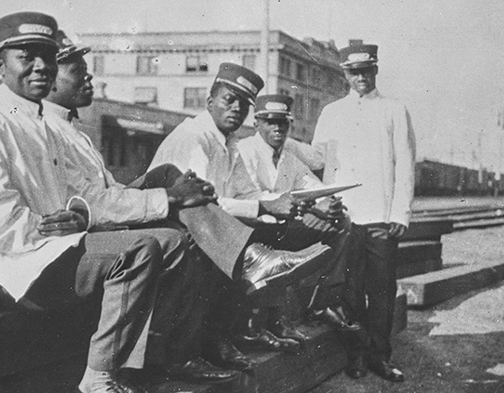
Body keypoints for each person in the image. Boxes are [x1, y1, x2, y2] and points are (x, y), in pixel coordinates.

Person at [0, 14, 316, 393]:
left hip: (47, 255)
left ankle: (154, 360)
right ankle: (100, 376)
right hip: (7, 273)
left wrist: (78, 216)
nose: (41, 66)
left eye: (47, 56)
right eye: (27, 56)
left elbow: (86, 198)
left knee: (168, 240)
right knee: (141, 247)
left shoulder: (43, 126)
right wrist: (56, 225)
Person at [148, 64, 334, 366]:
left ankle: (237, 330)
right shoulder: (194, 136)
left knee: (274, 234)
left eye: (244, 104)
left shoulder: (229, 143)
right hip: (172, 222)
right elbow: (203, 203)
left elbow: (247, 195)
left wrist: (283, 204)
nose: (236, 108)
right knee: (238, 248)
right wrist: (266, 208)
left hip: (207, 227)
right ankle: (217, 339)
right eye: (228, 100)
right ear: (209, 103)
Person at [312, 43, 417, 382]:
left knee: (382, 290)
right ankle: (356, 354)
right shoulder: (331, 113)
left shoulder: (394, 109)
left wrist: (400, 213)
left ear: (375, 70)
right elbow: (322, 164)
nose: (360, 77)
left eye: (366, 71)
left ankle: (380, 356)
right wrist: (323, 206)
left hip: (380, 218)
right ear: (344, 74)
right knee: (351, 290)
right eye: (353, 72)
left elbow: (405, 164)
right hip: (345, 218)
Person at [235, 94, 361, 344]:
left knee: (342, 223)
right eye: (270, 122)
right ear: (256, 123)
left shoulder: (289, 158)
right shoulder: (244, 150)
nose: (277, 128)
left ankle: (320, 301)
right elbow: (247, 195)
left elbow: (310, 186)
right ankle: (268, 320)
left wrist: (326, 205)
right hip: (247, 229)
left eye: (283, 123)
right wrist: (295, 203)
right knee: (277, 233)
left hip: (277, 228)